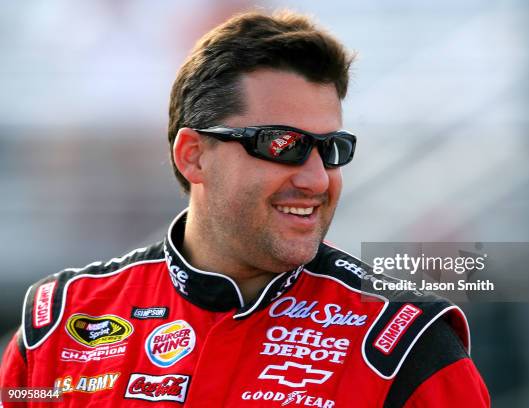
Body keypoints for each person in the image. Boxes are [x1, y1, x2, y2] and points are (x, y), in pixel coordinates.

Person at [0, 10, 489, 407]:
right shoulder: (59, 328)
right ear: (193, 155)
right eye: (281, 144)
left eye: (332, 148)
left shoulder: (405, 346)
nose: (317, 179)